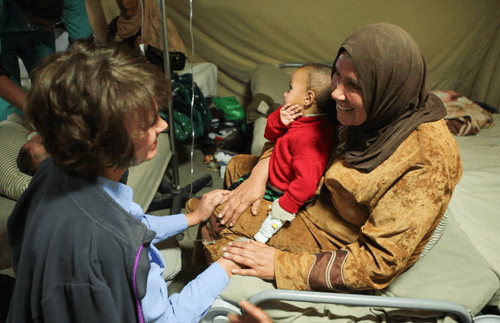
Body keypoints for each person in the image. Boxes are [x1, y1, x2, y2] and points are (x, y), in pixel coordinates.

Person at [196, 22, 462, 300]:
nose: (335, 93)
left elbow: (378, 264)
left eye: (354, 85)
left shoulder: (425, 160)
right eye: (337, 75)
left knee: (215, 214)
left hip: (336, 234)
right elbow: (294, 136)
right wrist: (259, 174)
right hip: (313, 193)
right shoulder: (371, 106)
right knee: (239, 166)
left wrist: (280, 265)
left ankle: (203, 297)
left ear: (385, 89)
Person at [7, 39, 238, 323]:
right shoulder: (121, 248)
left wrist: (194, 217)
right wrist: (226, 265)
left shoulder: (52, 171)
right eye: (150, 121)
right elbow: (166, 319)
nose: (163, 125)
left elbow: (131, 222)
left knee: (173, 255)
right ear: (108, 144)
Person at [250, 64, 335, 243]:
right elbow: (270, 135)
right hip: (271, 178)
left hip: (280, 194)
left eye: (290, 88)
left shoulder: (310, 139)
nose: (285, 94)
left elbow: (306, 184)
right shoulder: (295, 117)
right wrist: (278, 120)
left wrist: (281, 210)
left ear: (308, 98)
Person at [0, 0, 92, 120]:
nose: (50, 29)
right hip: (4, 32)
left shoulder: (72, 1)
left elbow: (85, 49)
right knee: (7, 111)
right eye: (43, 24)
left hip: (39, 36)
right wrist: (35, 109)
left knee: (49, 90)